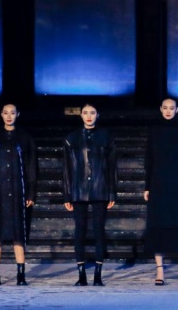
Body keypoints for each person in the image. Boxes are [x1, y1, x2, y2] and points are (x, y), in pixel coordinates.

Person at [0, 103, 38, 286]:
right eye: (6, 113)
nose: (9, 116)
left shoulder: (25, 138)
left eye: (12, 113)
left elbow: (32, 168)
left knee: (18, 233)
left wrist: (31, 193)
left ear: (17, 114)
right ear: (1, 115)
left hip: (18, 191)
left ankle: (21, 275)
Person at [62, 103, 117, 286]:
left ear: (97, 115)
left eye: (92, 112)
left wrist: (112, 193)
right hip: (78, 189)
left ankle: (98, 276)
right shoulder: (72, 138)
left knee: (99, 230)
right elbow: (67, 168)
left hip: (100, 188)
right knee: (80, 231)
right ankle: (81, 275)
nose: (89, 116)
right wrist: (67, 194)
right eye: (85, 113)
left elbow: (112, 167)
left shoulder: (106, 136)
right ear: (80, 115)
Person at [144, 98, 178, 286]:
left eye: (171, 108)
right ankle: (160, 270)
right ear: (160, 109)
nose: (168, 111)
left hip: (177, 183)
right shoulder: (154, 130)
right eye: (165, 108)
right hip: (158, 183)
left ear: (177, 110)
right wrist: (147, 186)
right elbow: (149, 160)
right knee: (157, 225)